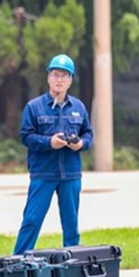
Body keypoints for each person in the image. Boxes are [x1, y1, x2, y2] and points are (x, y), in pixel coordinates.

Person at [13, 54, 93, 254]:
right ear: (48, 77)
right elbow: (26, 137)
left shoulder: (79, 107)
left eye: (64, 76)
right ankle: (18, 263)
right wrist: (50, 142)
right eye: (56, 74)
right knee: (31, 220)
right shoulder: (34, 107)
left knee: (71, 224)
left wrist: (81, 144)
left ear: (71, 80)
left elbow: (89, 134)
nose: (59, 80)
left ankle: (74, 263)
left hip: (71, 174)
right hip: (43, 173)